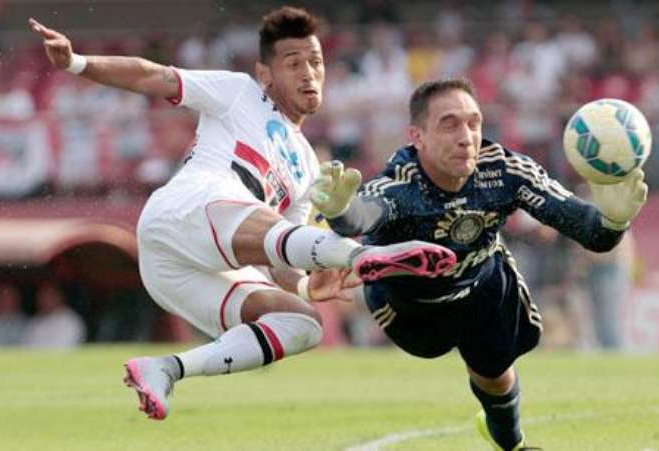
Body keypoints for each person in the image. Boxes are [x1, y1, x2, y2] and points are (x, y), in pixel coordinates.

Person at [29, 7, 457, 421]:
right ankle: (363, 256)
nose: (309, 72)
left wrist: (307, 285)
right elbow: (153, 75)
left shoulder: (309, 164)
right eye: (294, 63)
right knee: (263, 218)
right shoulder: (238, 92)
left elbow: (277, 255)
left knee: (301, 323)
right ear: (265, 73)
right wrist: (77, 62)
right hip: (189, 209)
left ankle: (165, 369)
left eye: (317, 61)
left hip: (178, 271)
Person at [310, 78, 647, 450]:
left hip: (481, 283)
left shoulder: (504, 171)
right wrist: (341, 211)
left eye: (474, 123)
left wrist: (613, 222)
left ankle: (512, 445)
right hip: (410, 303)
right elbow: (362, 216)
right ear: (417, 137)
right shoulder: (400, 183)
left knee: (495, 376)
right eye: (449, 124)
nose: (466, 136)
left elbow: (588, 231)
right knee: (434, 346)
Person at [22, 282, 86, 349]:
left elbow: (62, 349)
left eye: (49, 295)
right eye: (41, 296)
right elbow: (24, 346)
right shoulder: (36, 320)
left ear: (59, 297)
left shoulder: (70, 320)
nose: (44, 299)